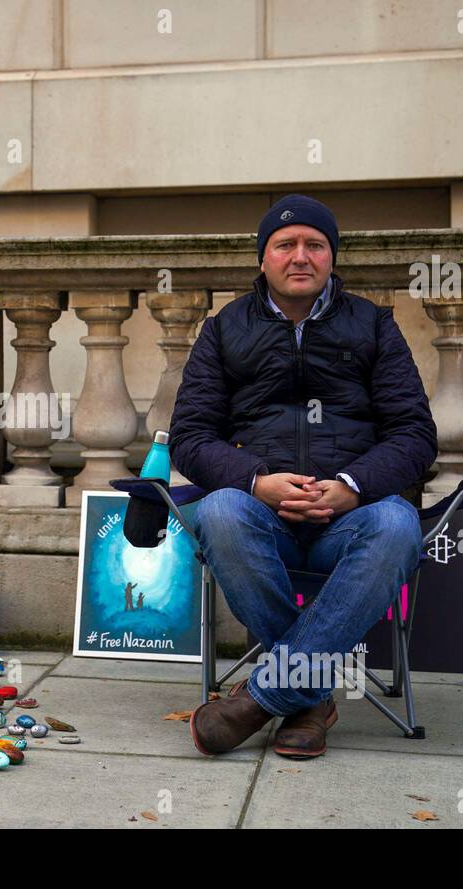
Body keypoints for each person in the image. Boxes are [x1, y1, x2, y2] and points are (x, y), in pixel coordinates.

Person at [169, 194, 437, 759]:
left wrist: (352, 487)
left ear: (332, 257)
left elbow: (415, 435)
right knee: (219, 511)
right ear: (263, 258)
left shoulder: (374, 325)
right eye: (285, 245)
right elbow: (190, 437)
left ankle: (264, 696)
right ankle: (308, 698)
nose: (300, 256)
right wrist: (256, 481)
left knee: (397, 524)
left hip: (351, 521)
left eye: (315, 244)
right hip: (261, 516)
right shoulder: (223, 330)